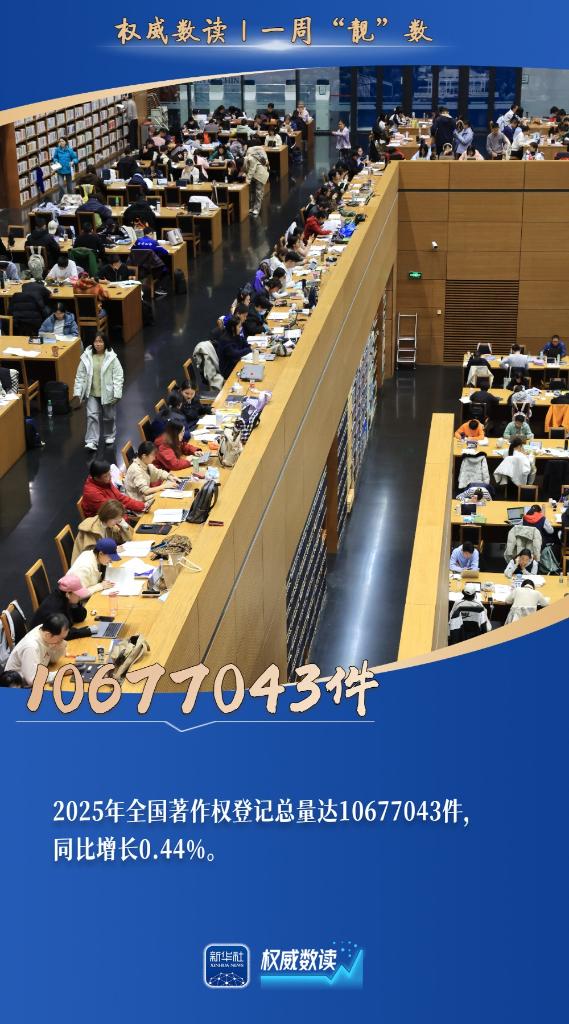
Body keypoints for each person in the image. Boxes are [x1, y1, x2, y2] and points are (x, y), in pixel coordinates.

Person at [73, 335, 124, 450]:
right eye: (96, 341)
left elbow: (118, 376)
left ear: (105, 343)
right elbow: (80, 375)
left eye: (100, 341)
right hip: (92, 393)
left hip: (107, 393)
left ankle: (109, 435)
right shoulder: (86, 357)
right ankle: (92, 441)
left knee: (109, 417)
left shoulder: (112, 358)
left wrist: (117, 393)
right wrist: (78, 391)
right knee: (92, 416)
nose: (98, 344)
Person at [5, 613, 70, 687]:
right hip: (17, 687)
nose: (63, 641)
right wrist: (62, 672)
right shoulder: (31, 647)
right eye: (61, 638)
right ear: (48, 635)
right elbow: (33, 679)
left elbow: (53, 660)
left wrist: (60, 649)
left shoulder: (44, 632)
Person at [30, 574, 94, 640]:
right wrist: (87, 631)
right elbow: (62, 634)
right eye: (78, 594)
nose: (80, 596)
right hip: (40, 640)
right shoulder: (56, 608)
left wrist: (76, 604)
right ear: (68, 594)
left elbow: (80, 617)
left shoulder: (64, 598)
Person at [244, 146, 269, 218]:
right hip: (255, 175)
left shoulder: (251, 158)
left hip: (260, 175)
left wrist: (247, 180)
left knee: (258, 193)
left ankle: (257, 209)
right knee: (252, 191)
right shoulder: (250, 157)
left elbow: (251, 169)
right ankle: (252, 207)